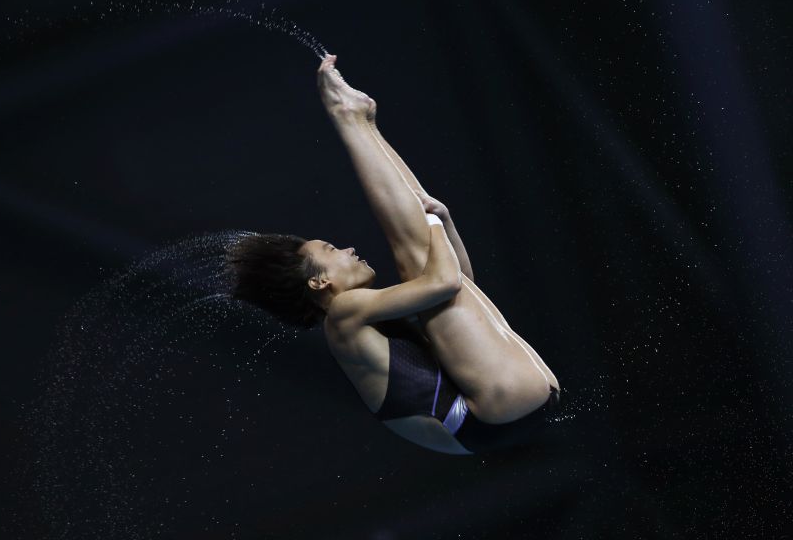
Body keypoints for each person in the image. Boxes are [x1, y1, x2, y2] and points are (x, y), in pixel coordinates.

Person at [225, 55, 562, 455]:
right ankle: (349, 117)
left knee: (424, 264)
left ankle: (361, 122)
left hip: (504, 412)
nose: (348, 248)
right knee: (416, 256)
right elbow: (444, 281)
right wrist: (431, 223)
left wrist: (443, 221)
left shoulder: (368, 318)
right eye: (332, 250)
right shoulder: (343, 314)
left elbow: (460, 284)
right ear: (319, 281)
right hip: (489, 411)